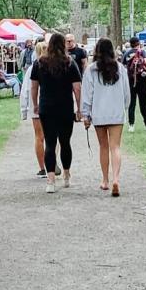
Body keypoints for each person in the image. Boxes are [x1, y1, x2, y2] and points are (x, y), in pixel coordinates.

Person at [30, 33, 82, 194]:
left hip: (47, 107)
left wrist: (35, 104)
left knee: (50, 143)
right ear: (63, 45)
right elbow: (77, 87)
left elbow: (34, 86)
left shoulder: (39, 63)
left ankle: (51, 180)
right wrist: (79, 108)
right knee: (65, 142)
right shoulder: (70, 63)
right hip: (65, 107)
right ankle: (66, 174)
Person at [82, 38, 130, 197]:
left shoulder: (91, 70)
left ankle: (105, 180)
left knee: (103, 147)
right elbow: (126, 92)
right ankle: (116, 178)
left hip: (99, 113)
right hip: (116, 112)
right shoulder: (121, 69)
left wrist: (86, 114)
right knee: (115, 146)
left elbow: (87, 94)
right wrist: (125, 106)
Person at [20, 42, 60, 178]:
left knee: (39, 137)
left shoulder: (33, 68)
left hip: (36, 106)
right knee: (52, 137)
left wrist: (24, 110)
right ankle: (52, 163)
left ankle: (43, 167)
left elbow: (26, 90)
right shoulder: (54, 66)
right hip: (49, 105)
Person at [125, 40, 146, 133]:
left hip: (131, 82)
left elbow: (124, 66)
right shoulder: (141, 52)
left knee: (131, 104)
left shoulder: (127, 53)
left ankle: (131, 125)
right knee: (143, 104)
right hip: (142, 81)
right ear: (138, 43)